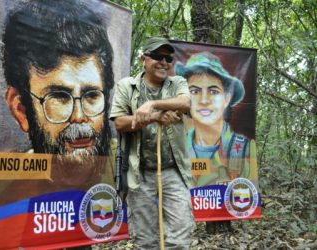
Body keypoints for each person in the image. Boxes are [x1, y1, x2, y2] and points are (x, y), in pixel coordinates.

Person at [0, 0, 115, 210]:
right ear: (21, 110)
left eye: (91, 95)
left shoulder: (118, 170)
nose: (80, 116)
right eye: (60, 97)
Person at [110, 37, 194, 250]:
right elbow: (120, 123)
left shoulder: (178, 83)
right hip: (140, 173)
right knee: (146, 240)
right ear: (143, 59)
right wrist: (156, 116)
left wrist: (151, 104)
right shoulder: (126, 86)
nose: (163, 62)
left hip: (174, 172)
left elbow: (185, 102)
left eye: (168, 58)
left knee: (180, 236)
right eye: (157, 56)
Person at [175, 51, 257, 186]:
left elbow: (249, 201)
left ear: (227, 98)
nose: (204, 100)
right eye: (195, 91)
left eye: (213, 91)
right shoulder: (176, 147)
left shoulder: (245, 149)